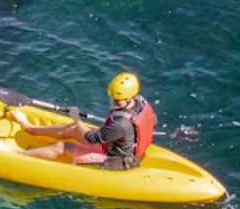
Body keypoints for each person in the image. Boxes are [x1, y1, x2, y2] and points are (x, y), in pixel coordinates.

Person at [8, 72, 155, 170]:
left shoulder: (121, 125)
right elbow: (151, 120)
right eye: (113, 98)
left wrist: (77, 118)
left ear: (130, 97)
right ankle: (29, 128)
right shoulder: (140, 103)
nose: (114, 102)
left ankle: (15, 156)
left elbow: (91, 138)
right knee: (74, 128)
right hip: (117, 145)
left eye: (118, 101)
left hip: (115, 161)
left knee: (63, 146)